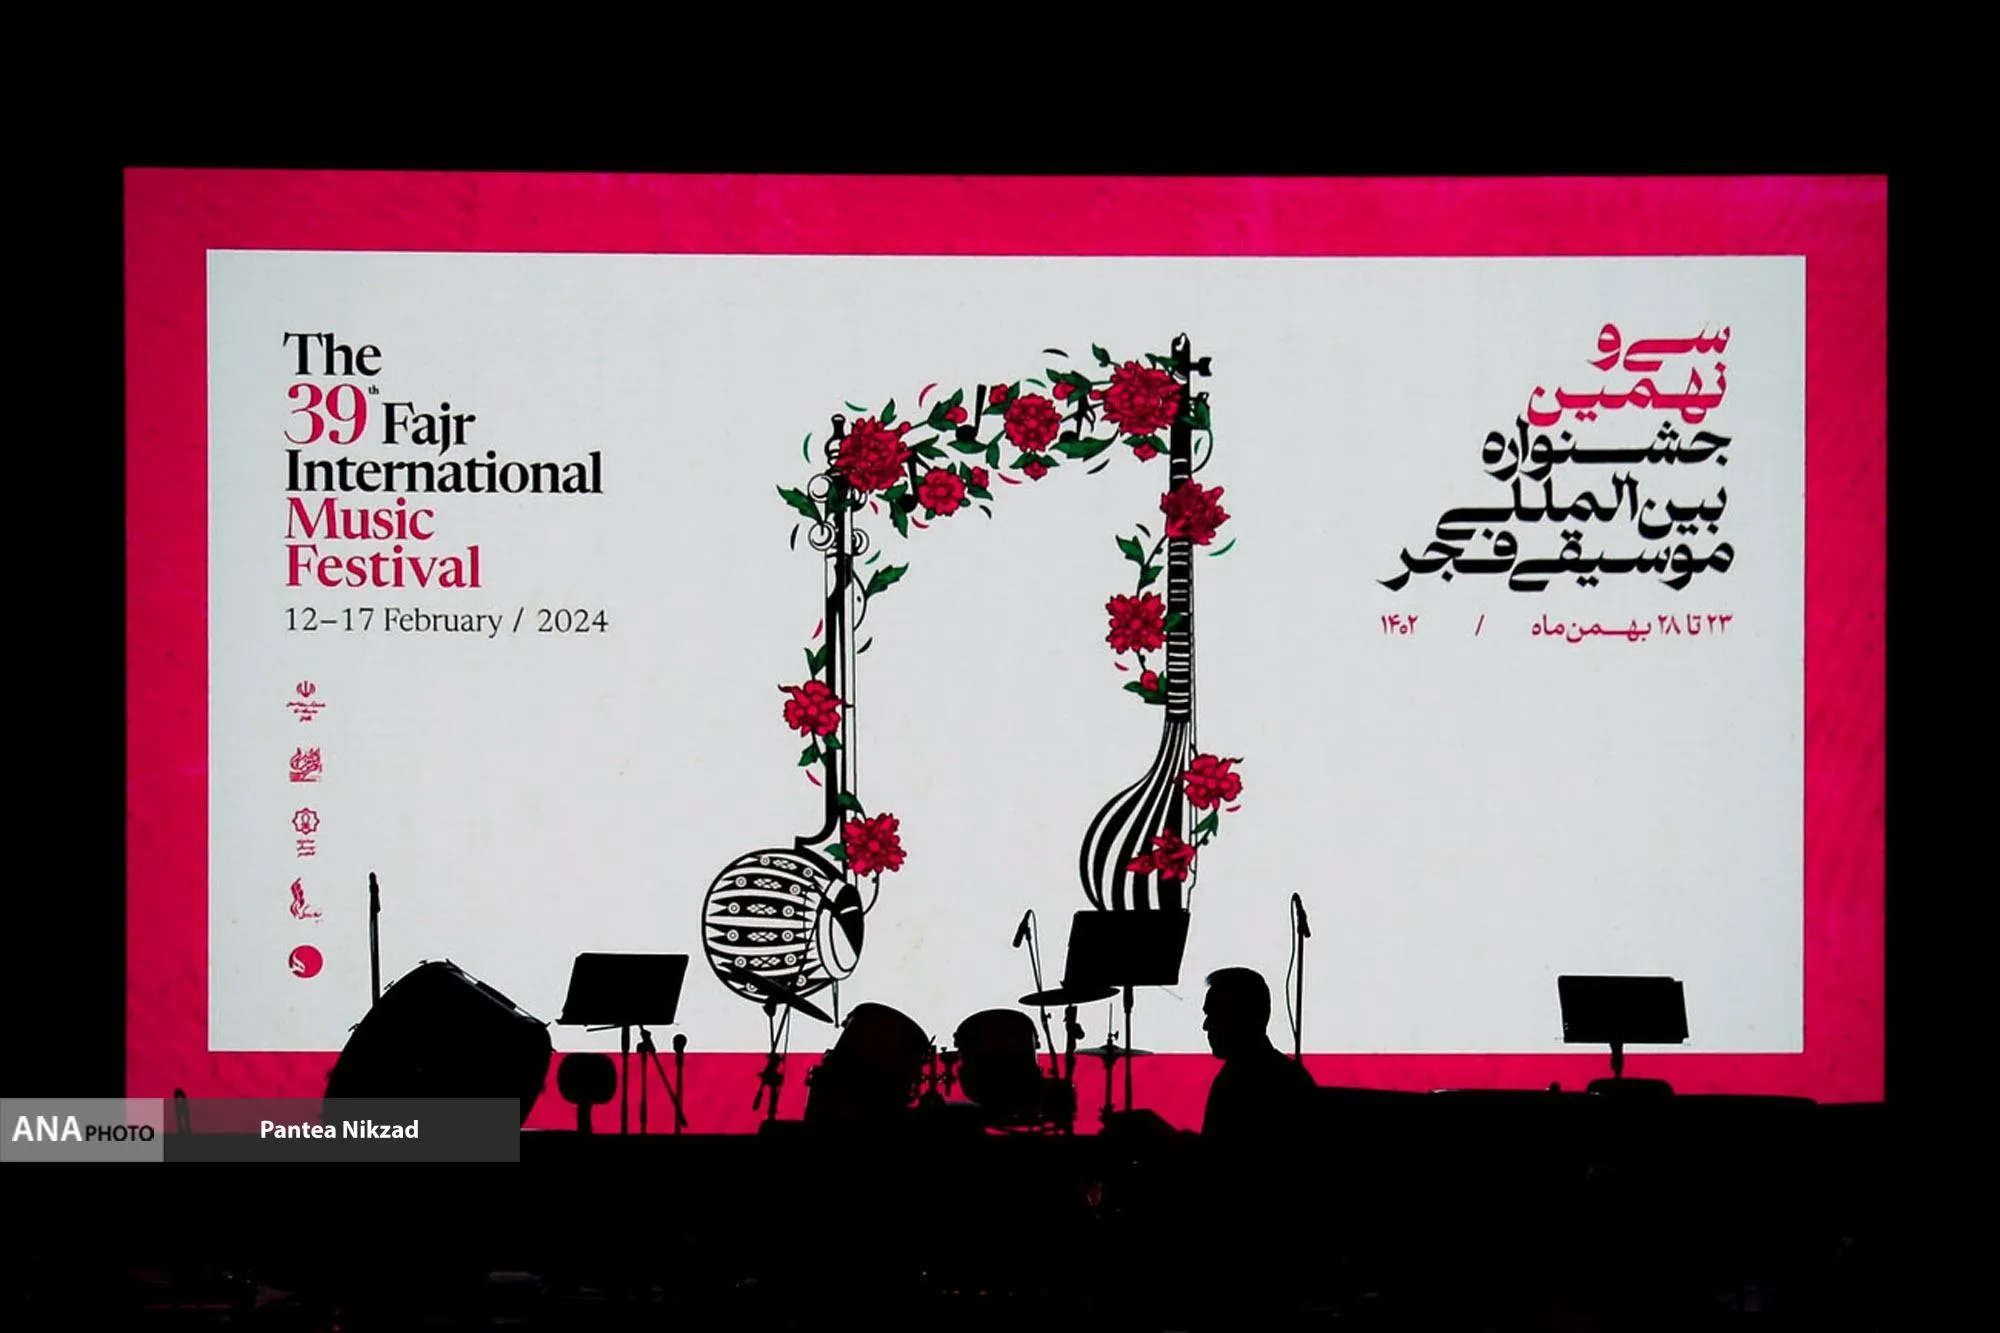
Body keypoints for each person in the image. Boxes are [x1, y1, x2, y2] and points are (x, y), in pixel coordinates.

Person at [1199, 966, 1317, 1142]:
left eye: (1216, 1015)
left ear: (1245, 1017)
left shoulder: (1236, 1081)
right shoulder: (1291, 1078)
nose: (1206, 1025)